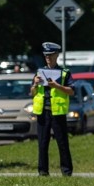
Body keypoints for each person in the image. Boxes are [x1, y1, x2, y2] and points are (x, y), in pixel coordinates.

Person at [30, 42, 74, 176]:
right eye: (46, 55)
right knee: (42, 143)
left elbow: (71, 91)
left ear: (57, 55)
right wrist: (35, 85)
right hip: (43, 112)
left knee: (62, 143)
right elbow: (32, 92)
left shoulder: (64, 73)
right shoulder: (39, 71)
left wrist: (57, 86)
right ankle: (43, 171)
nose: (48, 57)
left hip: (57, 112)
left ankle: (66, 171)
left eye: (50, 55)